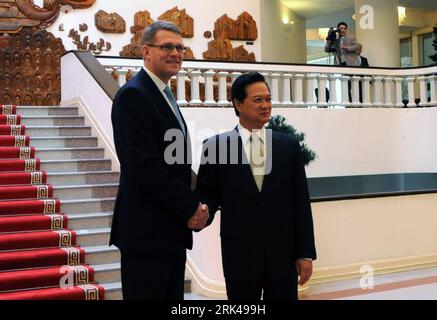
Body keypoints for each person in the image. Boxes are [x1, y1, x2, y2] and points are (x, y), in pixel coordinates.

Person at [110, 21, 209, 300]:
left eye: (180, 48)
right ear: (146, 51)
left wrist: (199, 200)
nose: (176, 53)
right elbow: (143, 165)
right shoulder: (134, 94)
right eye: (167, 47)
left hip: (169, 227)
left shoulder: (164, 94)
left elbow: (173, 161)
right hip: (146, 231)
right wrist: (190, 204)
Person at [196, 72, 317, 300]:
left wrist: (305, 253)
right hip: (240, 256)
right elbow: (208, 195)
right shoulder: (216, 147)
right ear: (238, 104)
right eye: (258, 100)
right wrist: (199, 214)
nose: (266, 106)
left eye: (268, 99)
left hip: (283, 256)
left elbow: (301, 203)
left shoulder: (288, 146)